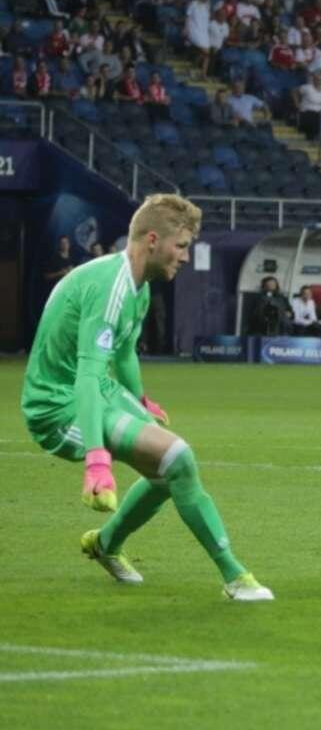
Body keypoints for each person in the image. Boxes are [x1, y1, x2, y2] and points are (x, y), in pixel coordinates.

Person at [20, 194, 272, 600]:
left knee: (167, 471)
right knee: (178, 458)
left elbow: (122, 353)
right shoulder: (111, 288)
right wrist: (97, 460)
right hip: (58, 407)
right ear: (153, 240)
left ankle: (105, 544)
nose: (186, 257)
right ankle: (235, 577)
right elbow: (87, 374)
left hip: (99, 390)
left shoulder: (137, 285)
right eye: (182, 246)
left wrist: (139, 400)